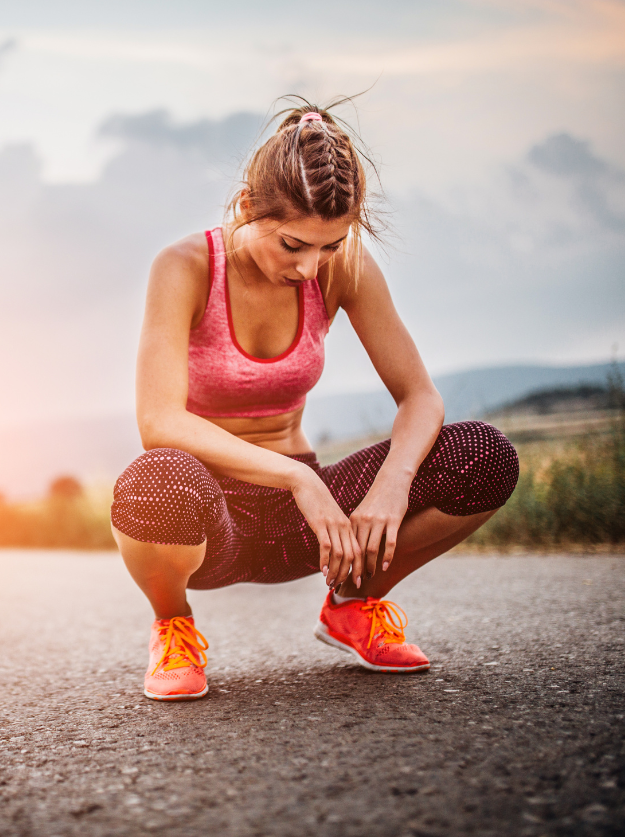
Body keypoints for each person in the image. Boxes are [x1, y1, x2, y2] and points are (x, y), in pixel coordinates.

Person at [110, 99, 520, 701]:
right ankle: (173, 625)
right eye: (293, 244)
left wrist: (392, 484)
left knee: (483, 454)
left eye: (329, 247)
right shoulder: (184, 266)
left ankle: (354, 604)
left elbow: (420, 397)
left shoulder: (342, 268)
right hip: (214, 515)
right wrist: (299, 481)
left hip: (311, 525)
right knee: (156, 480)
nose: (309, 268)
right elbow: (159, 421)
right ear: (249, 207)